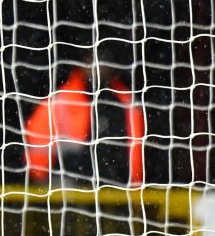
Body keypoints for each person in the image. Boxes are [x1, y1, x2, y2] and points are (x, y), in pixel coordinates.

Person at [23, 40, 144, 187]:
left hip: (116, 187)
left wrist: (135, 185)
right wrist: (42, 180)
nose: (97, 66)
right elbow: (38, 145)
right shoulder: (61, 101)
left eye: (103, 60)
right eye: (93, 59)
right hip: (68, 186)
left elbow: (136, 152)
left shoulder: (127, 103)